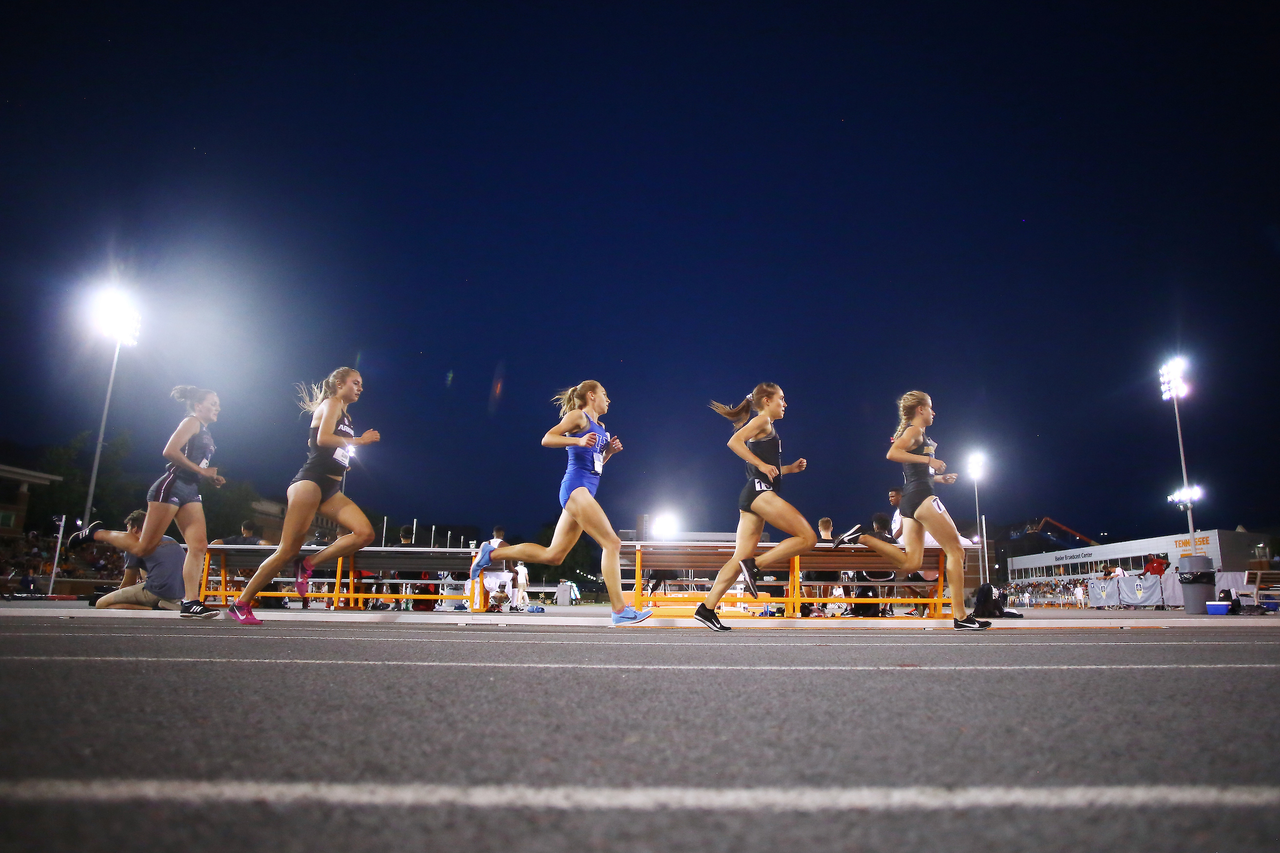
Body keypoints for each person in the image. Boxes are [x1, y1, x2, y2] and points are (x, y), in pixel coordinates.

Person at [469, 380, 650, 627]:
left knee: (553, 556)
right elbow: (547, 438)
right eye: (605, 394)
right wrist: (576, 441)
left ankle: (492, 553)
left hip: (584, 490)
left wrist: (608, 454)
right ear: (591, 395)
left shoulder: (602, 427)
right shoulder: (579, 417)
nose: (609, 399)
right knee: (612, 542)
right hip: (575, 489)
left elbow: (594, 467)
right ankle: (620, 610)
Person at [227, 367, 380, 625]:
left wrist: (342, 462)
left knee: (365, 534)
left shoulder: (346, 415)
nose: (360, 387)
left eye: (361, 383)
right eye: (356, 382)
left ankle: (308, 563)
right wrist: (359, 442)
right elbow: (322, 438)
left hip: (330, 489)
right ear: (339, 384)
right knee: (287, 550)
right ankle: (240, 603)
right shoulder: (331, 403)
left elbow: (325, 445)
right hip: (309, 484)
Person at [69, 385, 223, 618]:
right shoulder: (191, 422)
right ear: (197, 405)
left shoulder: (206, 432)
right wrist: (201, 472)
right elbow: (169, 451)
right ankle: (96, 533)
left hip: (191, 489)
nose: (217, 407)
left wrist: (208, 477)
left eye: (218, 403)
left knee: (199, 546)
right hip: (171, 485)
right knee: (143, 548)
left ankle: (191, 602)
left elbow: (194, 463)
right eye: (212, 403)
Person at [693, 383, 817, 632]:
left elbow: (767, 467)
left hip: (754, 495)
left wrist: (789, 469)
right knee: (808, 537)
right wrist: (761, 465)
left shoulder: (767, 426)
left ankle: (706, 609)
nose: (785, 403)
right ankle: (755, 566)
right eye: (782, 398)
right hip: (759, 492)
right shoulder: (763, 421)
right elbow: (734, 442)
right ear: (768, 401)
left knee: (739, 557)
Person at [882, 391, 988, 630]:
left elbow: (914, 472)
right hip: (922, 498)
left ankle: (863, 538)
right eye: (930, 407)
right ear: (920, 409)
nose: (933, 412)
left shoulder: (918, 435)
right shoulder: (914, 431)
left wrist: (939, 478)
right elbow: (892, 453)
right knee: (956, 550)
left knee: (911, 563)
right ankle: (961, 616)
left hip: (911, 497)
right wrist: (930, 462)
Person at [94, 510, 195, 613]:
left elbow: (128, 583)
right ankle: (165, 604)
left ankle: (154, 609)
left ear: (134, 529)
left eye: (128, 530)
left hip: (158, 592)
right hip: (179, 594)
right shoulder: (170, 540)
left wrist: (118, 594)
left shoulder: (136, 544)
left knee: (101, 604)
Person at [470, 526, 510, 612]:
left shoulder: (485, 544)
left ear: (493, 534)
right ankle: (513, 605)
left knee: (483, 576)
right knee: (514, 576)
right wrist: (514, 570)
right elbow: (509, 563)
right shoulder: (505, 545)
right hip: (498, 574)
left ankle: (485, 600)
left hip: (484, 574)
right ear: (503, 534)